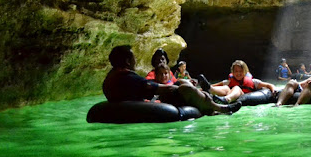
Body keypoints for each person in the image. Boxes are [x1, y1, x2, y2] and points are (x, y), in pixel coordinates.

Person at [102, 45, 242, 115]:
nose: (135, 61)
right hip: (148, 105)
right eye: (133, 58)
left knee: (182, 83)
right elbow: (158, 87)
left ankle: (210, 99)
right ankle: (219, 108)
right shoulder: (126, 76)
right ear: (127, 61)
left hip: (142, 100)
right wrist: (182, 89)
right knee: (184, 87)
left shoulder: (112, 76)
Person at [197, 60, 276, 104]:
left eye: (240, 71)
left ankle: (226, 99)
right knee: (225, 87)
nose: (238, 73)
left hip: (243, 96)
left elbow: (269, 85)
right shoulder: (228, 81)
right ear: (232, 72)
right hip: (229, 93)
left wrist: (273, 91)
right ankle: (211, 91)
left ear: (245, 71)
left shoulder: (254, 81)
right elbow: (214, 85)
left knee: (236, 88)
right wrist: (199, 89)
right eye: (236, 71)